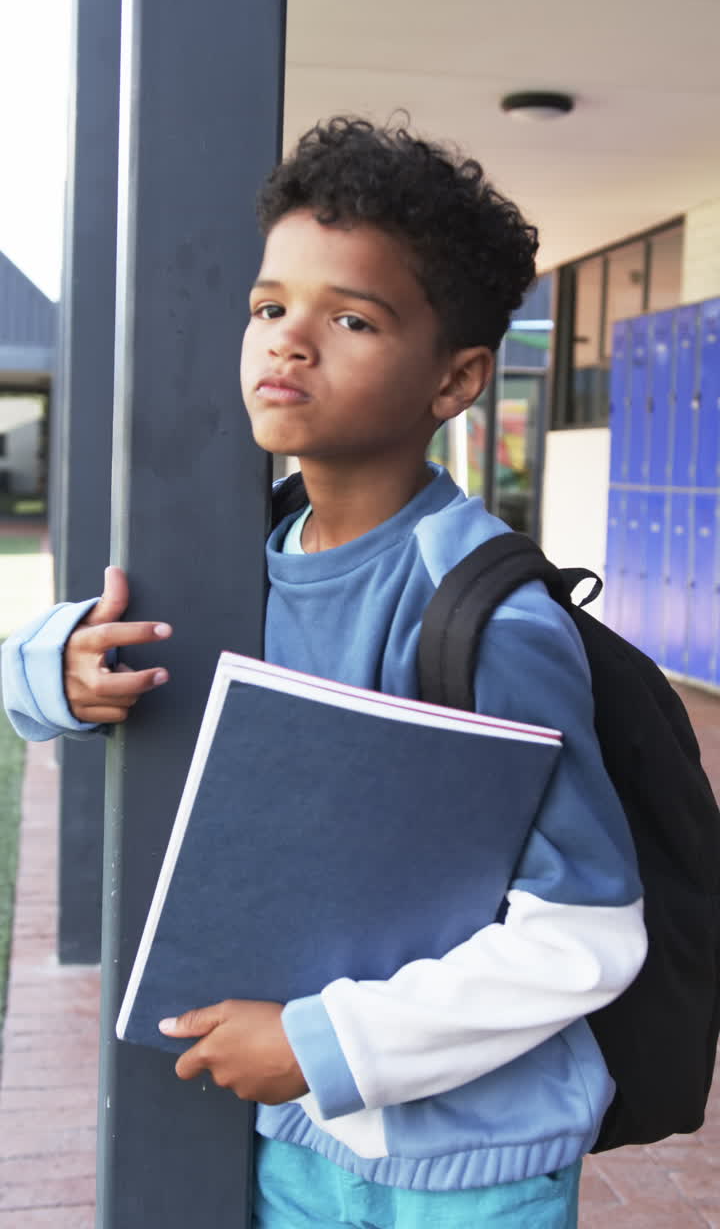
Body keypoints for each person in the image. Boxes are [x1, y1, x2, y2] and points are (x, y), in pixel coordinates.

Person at [2, 117, 647, 1228]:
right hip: (296, 1137)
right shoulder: (227, 561)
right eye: (269, 306)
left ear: (456, 379)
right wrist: (58, 668)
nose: (288, 342)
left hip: (474, 1166)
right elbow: (42, 682)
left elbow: (588, 933)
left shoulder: (489, 620)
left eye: (350, 317)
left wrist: (321, 1042)